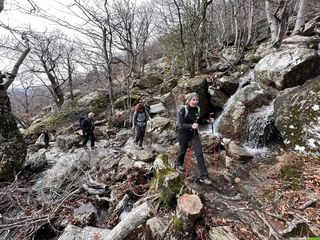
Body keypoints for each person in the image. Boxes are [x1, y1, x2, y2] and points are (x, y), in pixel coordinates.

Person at [176, 92, 214, 185]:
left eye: (197, 100)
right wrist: (191, 125)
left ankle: (204, 176)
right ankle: (179, 163)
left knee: (199, 153)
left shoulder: (197, 109)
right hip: (183, 134)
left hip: (194, 134)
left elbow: (199, 120)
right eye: (193, 99)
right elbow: (180, 124)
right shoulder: (183, 109)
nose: (195, 101)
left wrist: (208, 121)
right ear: (189, 100)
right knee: (182, 151)